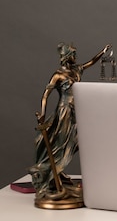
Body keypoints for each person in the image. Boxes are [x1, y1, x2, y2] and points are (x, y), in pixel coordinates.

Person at [29, 43, 112, 200]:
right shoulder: (58, 75)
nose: (76, 57)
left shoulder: (76, 70)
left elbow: (90, 62)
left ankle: (57, 173)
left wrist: (103, 52)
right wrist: (42, 113)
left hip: (77, 111)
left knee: (75, 143)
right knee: (61, 143)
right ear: (67, 57)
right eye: (73, 54)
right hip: (65, 112)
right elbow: (46, 94)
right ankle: (49, 173)